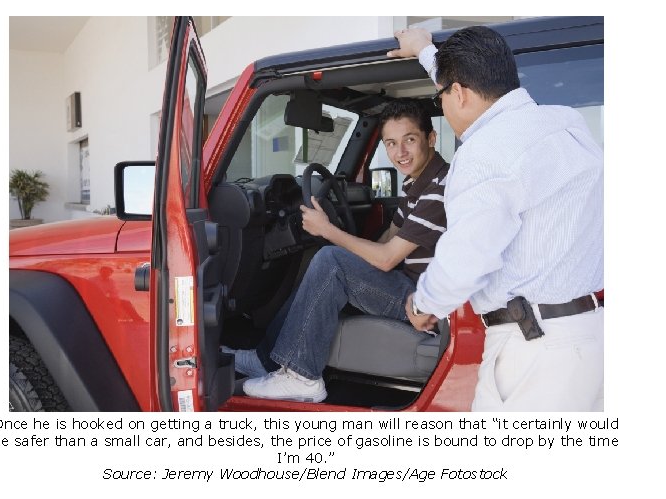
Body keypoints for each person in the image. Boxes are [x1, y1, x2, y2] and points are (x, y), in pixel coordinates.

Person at [389, 26, 604, 411]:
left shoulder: (483, 155)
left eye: (441, 98)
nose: (443, 108)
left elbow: (464, 261)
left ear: (459, 93)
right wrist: (424, 50)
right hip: (588, 335)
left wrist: (424, 306)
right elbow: (460, 83)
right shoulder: (566, 123)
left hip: (534, 353)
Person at [228, 99, 450, 402]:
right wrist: (349, 246)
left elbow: (386, 259)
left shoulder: (438, 190)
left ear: (431, 138)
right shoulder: (418, 185)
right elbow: (388, 238)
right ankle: (266, 361)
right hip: (411, 282)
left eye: (410, 140)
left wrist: (329, 231)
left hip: (421, 301)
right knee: (324, 266)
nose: (400, 153)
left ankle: (302, 377)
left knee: (331, 262)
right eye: (391, 143)